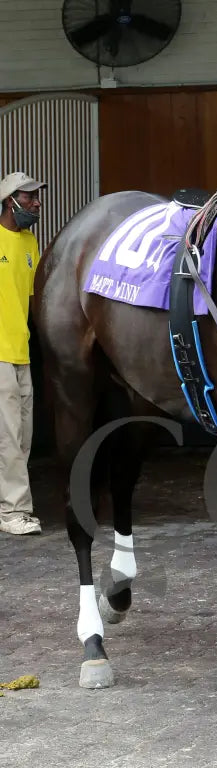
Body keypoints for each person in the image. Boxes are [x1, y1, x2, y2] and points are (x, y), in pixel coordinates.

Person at [0, 171, 46, 536]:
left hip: (22, 354)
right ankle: (14, 511)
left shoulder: (30, 243)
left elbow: (31, 300)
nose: (36, 203)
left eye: (36, 196)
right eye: (29, 197)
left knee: (24, 436)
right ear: (10, 200)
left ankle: (12, 505)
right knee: (10, 436)